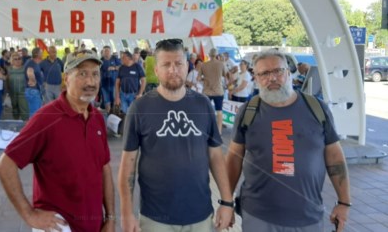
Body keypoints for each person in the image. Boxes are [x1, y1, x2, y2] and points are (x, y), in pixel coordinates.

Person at [226, 50, 351, 232]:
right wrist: (226, 201)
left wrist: (344, 202)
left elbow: (335, 158)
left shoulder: (316, 108)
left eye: (278, 71)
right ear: (256, 78)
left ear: (288, 72)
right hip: (258, 216)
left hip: (308, 216)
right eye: (264, 74)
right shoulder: (248, 111)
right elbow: (233, 159)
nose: (272, 78)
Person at [118, 38, 234, 232]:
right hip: (154, 218)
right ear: (156, 70)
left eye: (179, 63)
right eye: (166, 64)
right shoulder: (140, 108)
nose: (173, 69)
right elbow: (128, 164)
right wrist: (126, 213)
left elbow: (215, 155)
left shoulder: (203, 104)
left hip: (200, 215)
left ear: (187, 66)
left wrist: (227, 202)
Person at [0, 49, 115, 232]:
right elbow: (4, 166)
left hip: (94, 224)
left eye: (95, 74)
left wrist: (110, 218)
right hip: (59, 227)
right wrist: (29, 214)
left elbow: (104, 168)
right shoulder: (46, 118)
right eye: (82, 73)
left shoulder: (97, 118)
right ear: (66, 79)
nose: (90, 81)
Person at [199, 48, 227, 134]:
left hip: (207, 91)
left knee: (205, 111)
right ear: (217, 55)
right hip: (218, 90)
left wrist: (205, 79)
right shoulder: (221, 64)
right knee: (219, 111)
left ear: (209, 55)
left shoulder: (203, 65)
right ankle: (219, 131)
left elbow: (199, 78)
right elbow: (225, 74)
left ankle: (205, 129)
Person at [7, 52, 29, 120]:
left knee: (24, 109)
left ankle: (25, 125)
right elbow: (6, 80)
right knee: (15, 109)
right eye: (15, 59)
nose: (17, 60)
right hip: (13, 92)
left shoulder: (25, 69)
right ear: (12, 61)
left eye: (19, 58)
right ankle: (16, 123)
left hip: (23, 92)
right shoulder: (9, 69)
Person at [100, 45, 121, 113]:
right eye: (105, 51)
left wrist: (114, 68)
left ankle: (113, 116)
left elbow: (121, 66)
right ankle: (108, 116)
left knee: (114, 102)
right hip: (104, 84)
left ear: (110, 52)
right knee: (107, 102)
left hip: (114, 84)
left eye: (108, 51)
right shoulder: (101, 61)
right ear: (103, 52)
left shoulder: (114, 58)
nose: (106, 52)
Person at [23, 47, 44, 117]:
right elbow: (30, 72)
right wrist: (33, 80)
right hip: (33, 91)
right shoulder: (31, 63)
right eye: (41, 52)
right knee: (35, 114)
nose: (42, 54)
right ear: (37, 54)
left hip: (34, 90)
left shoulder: (34, 63)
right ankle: (33, 127)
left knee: (37, 113)